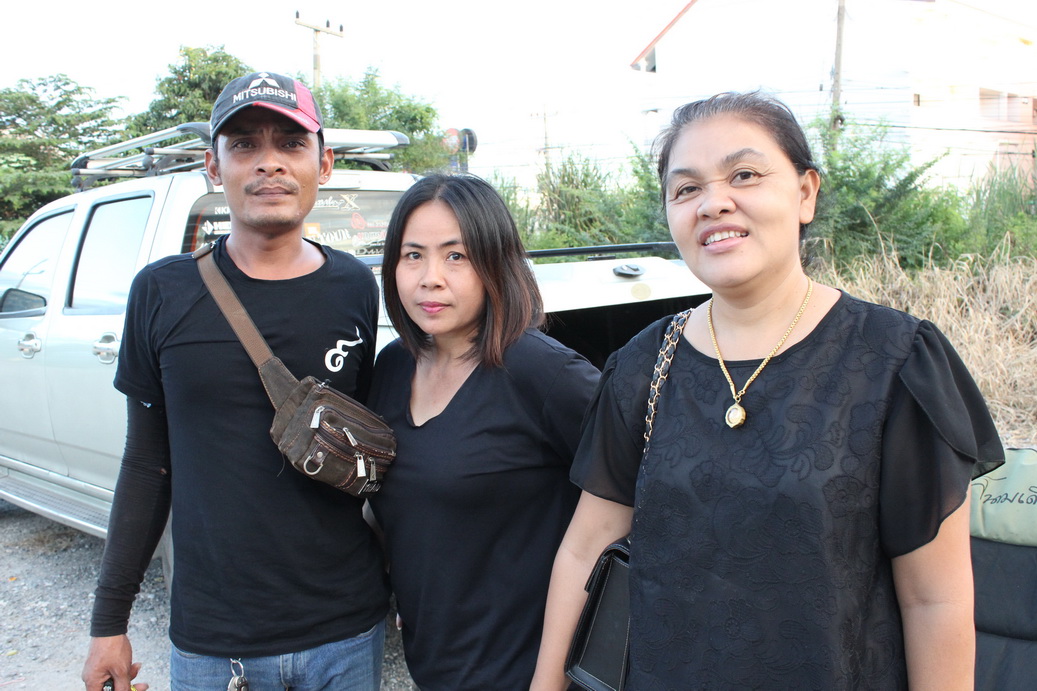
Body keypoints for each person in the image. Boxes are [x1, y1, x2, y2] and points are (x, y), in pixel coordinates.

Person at [532, 92, 1005, 690]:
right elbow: (585, 549)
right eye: (686, 189)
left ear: (805, 192)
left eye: (744, 175)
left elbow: (935, 599)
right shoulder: (642, 365)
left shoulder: (894, 361)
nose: (713, 203)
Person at [81, 71, 389, 691]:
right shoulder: (162, 292)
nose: (269, 163)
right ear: (213, 167)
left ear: (324, 164)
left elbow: (373, 452)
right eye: (244, 144)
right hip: (215, 644)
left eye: (291, 143)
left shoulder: (356, 286)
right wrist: (108, 622)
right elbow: (146, 463)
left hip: (348, 631)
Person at [366, 174, 600, 689]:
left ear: (496, 262)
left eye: (457, 256)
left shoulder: (544, 373)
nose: (430, 278)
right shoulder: (392, 367)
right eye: (413, 255)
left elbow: (634, 496)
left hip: (528, 674)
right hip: (435, 665)